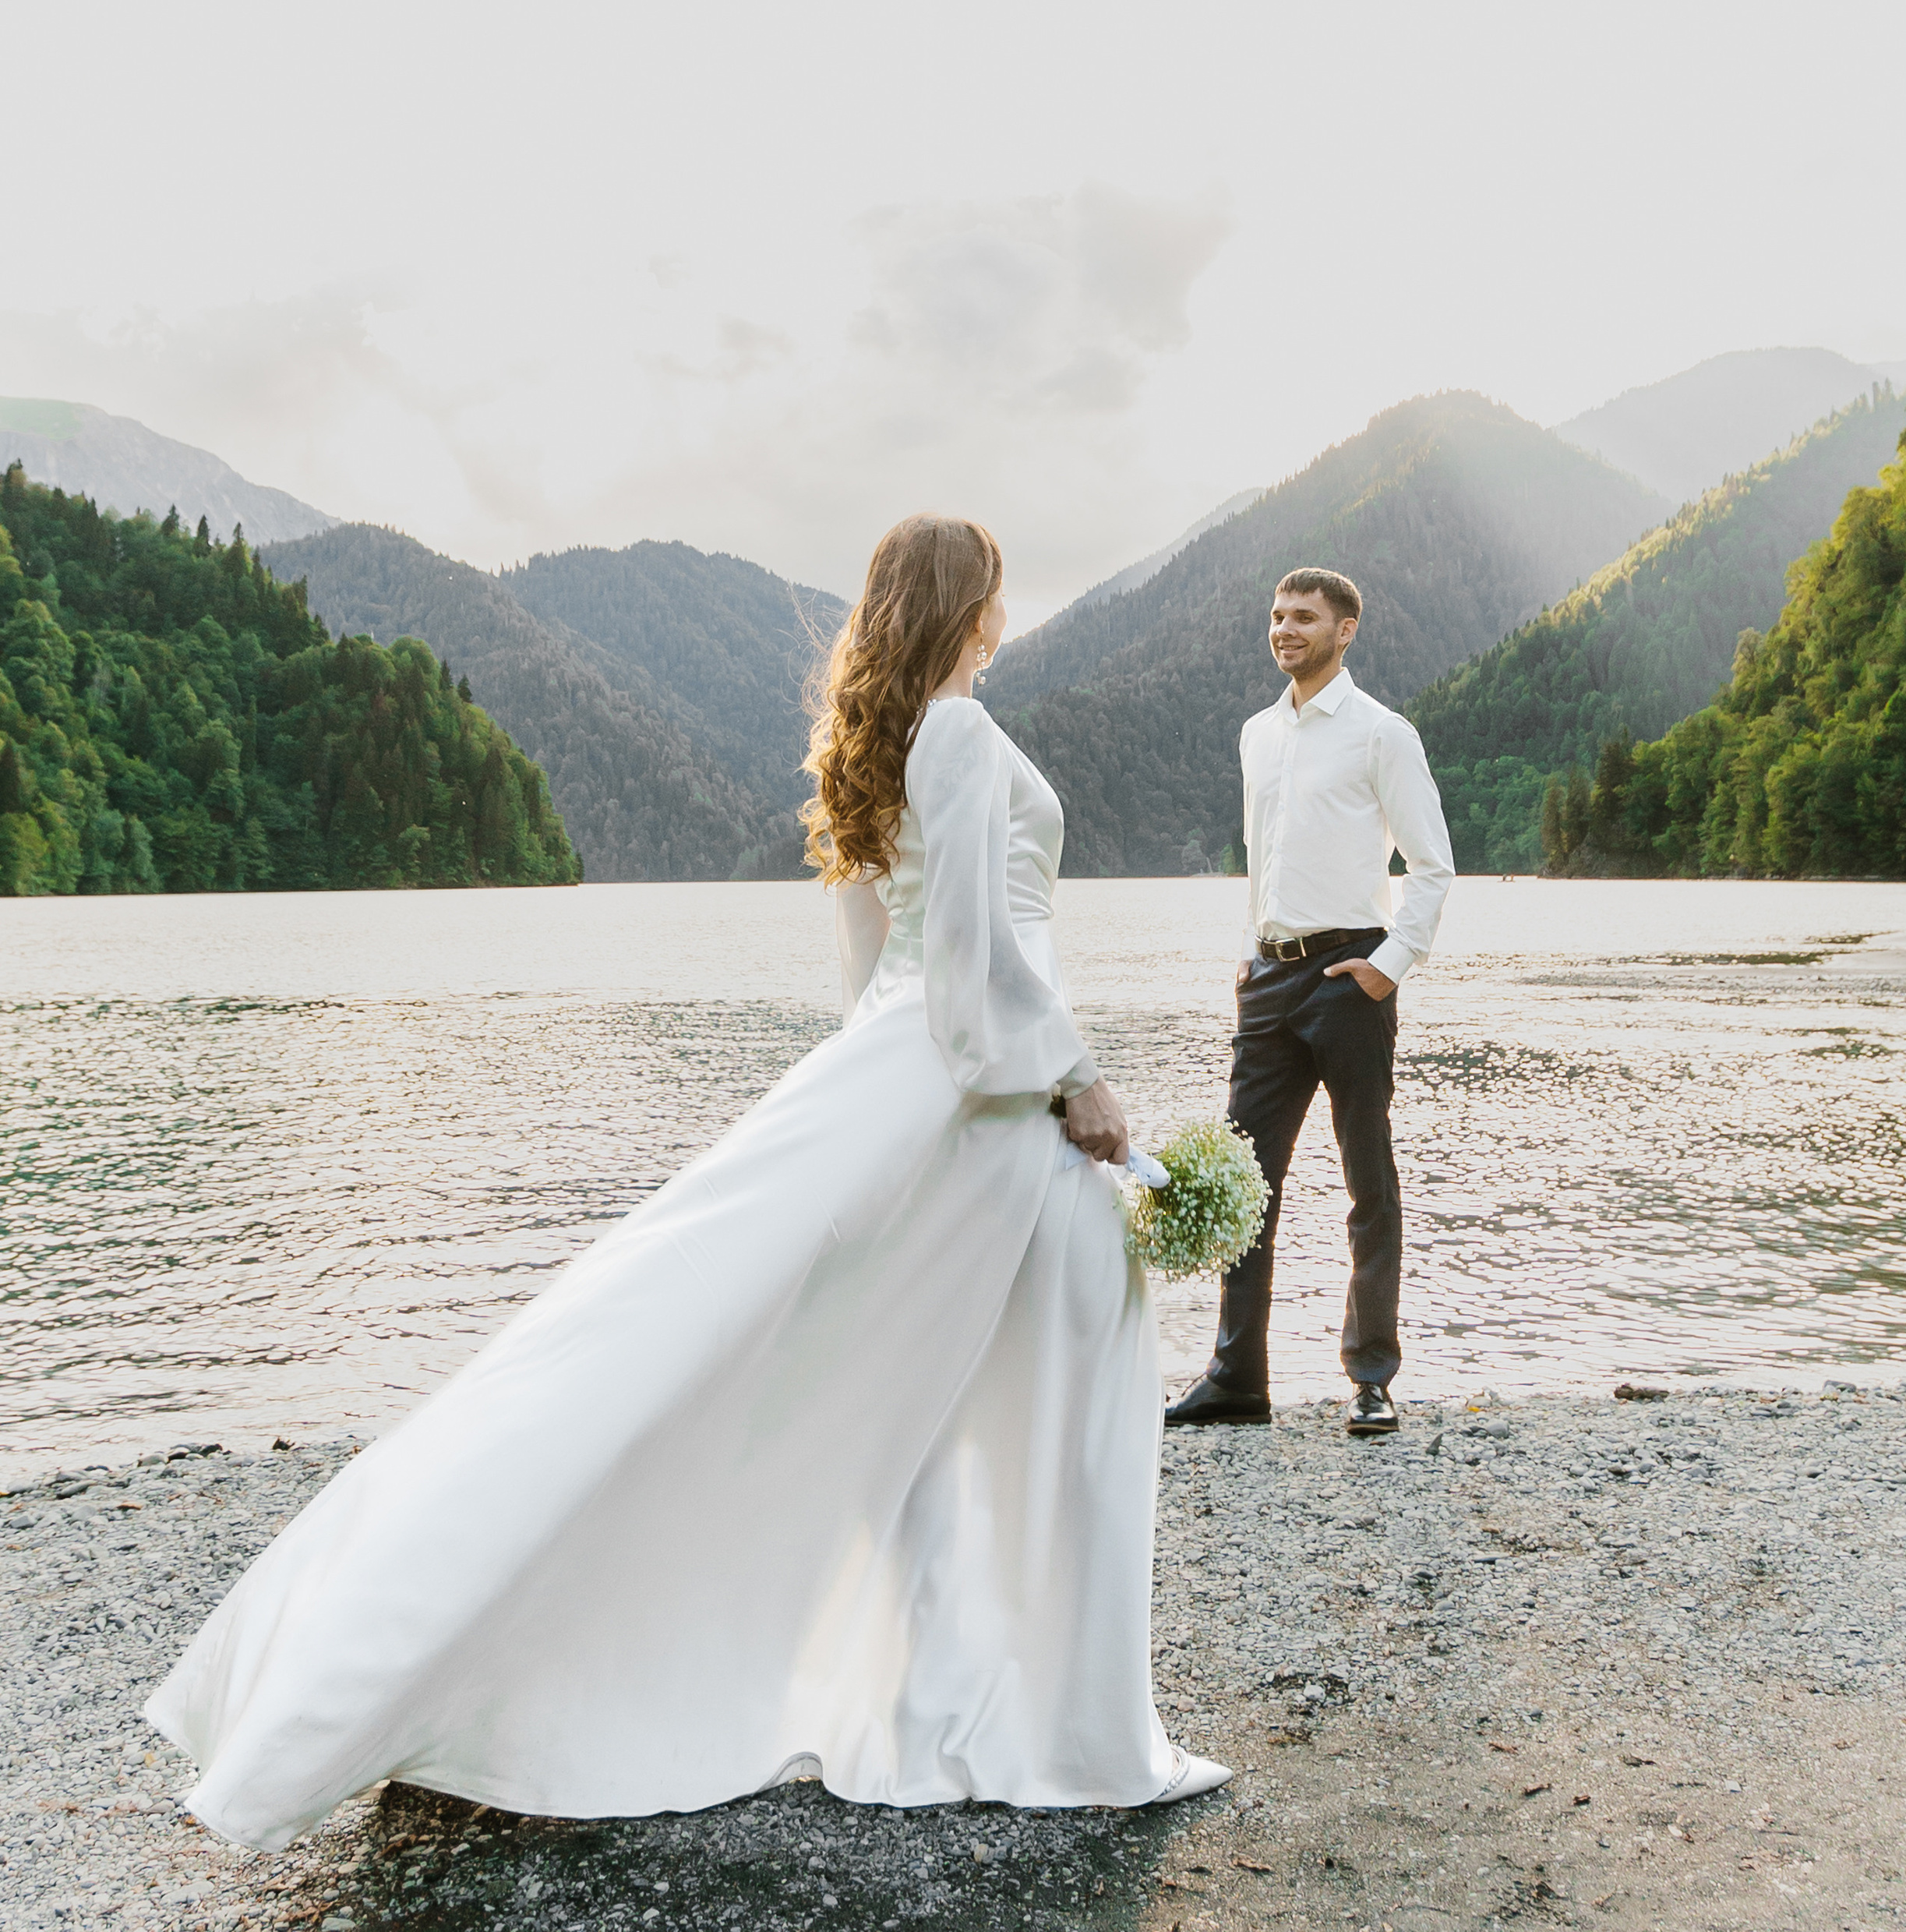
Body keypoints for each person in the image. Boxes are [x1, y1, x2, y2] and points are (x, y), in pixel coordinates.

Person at [145, 514, 1227, 1848]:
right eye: (997, 588)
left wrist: (870, 1118)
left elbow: (873, 975)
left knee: (899, 1390)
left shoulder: (894, 742)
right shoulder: (951, 735)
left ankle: (972, 1699)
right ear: (970, 601)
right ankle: (1031, 1717)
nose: (1007, 609)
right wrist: (1078, 1082)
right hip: (990, 1097)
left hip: (919, 1087)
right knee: (1020, 1388)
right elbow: (966, 961)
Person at [1166, 567, 1453, 1438]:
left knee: (1368, 1179)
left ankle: (1370, 1377)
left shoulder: (1381, 734)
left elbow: (1431, 866)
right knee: (1244, 1184)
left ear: (1346, 630)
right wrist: (1252, 957)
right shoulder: (1258, 734)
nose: (1285, 630)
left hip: (1350, 977)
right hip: (1269, 978)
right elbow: (1270, 862)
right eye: (1277, 617)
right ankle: (1235, 1378)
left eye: (1304, 618)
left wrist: (1389, 964)